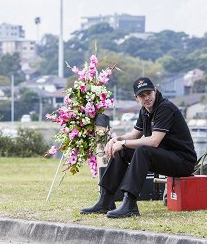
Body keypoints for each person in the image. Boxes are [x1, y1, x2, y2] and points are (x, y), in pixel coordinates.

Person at [81, 76, 196, 218]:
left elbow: (154, 141)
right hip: (165, 156)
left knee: (142, 150)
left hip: (183, 162)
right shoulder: (145, 110)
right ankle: (106, 200)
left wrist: (122, 144)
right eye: (142, 95)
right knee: (123, 151)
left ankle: (130, 204)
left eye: (149, 93)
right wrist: (116, 140)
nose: (147, 98)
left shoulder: (165, 108)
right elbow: (135, 135)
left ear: (155, 90)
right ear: (136, 98)